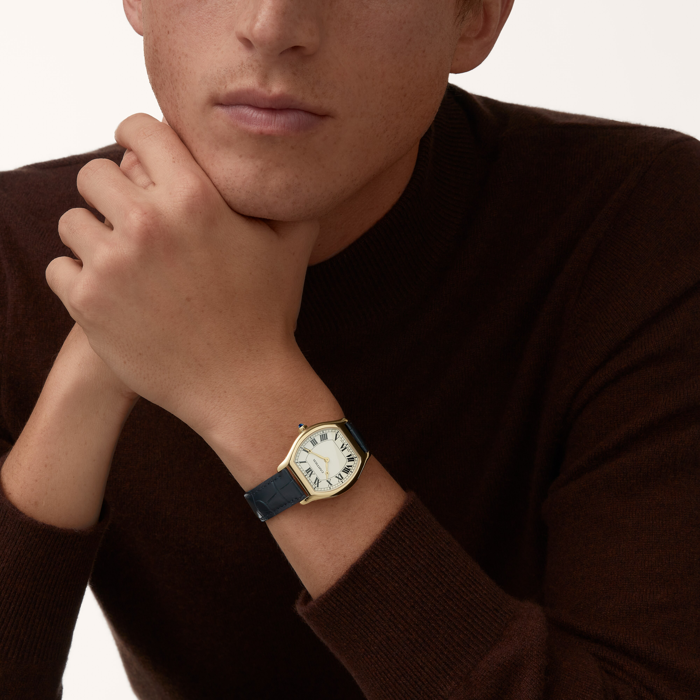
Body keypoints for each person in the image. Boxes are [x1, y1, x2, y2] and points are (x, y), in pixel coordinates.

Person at [0, 0, 698, 697]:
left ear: (476, 18)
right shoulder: (16, 249)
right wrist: (91, 366)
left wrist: (244, 386)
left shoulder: (645, 226)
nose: (272, 27)